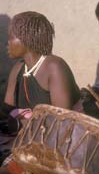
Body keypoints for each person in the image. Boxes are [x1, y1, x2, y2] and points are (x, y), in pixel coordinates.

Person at [0, 11, 80, 173]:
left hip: (60, 150)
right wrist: (14, 116)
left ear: (26, 39)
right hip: (29, 144)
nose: (7, 43)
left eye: (11, 37)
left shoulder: (54, 67)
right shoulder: (18, 69)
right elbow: (7, 113)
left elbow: (63, 123)